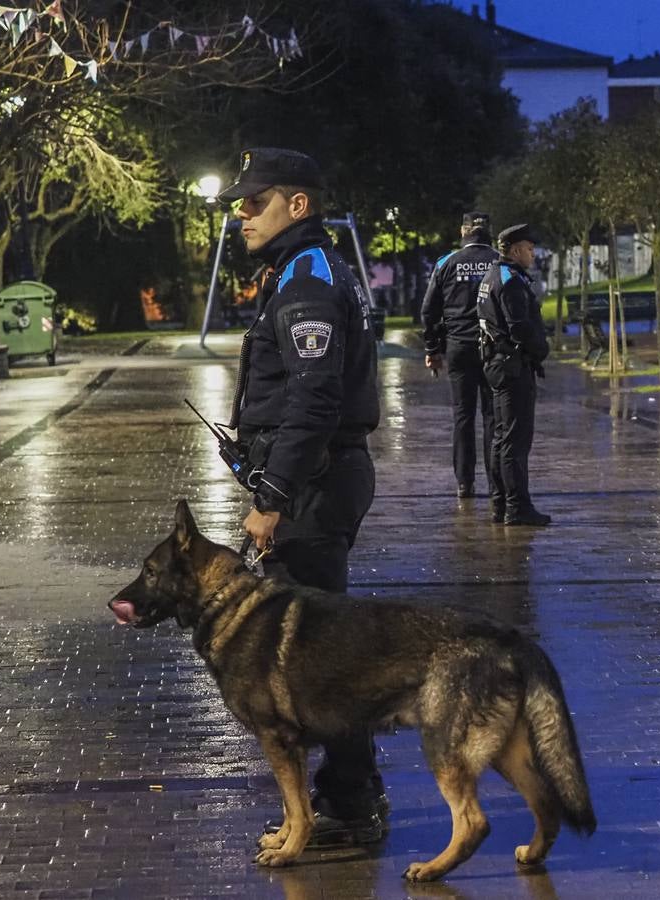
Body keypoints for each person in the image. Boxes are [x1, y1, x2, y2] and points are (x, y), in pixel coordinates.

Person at [216, 147, 386, 846]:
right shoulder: (297, 270)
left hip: (312, 488)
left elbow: (314, 402)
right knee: (316, 652)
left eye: (255, 201)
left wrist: (273, 497)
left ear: (298, 205)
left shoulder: (308, 277)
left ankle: (349, 802)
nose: (242, 214)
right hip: (310, 483)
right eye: (240, 203)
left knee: (317, 658)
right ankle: (348, 796)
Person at [421, 211, 499, 499]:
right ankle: (496, 483)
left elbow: (429, 311)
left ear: (462, 231)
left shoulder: (446, 263)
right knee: (493, 416)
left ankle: (465, 483)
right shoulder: (499, 262)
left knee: (463, 416)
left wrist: (433, 349)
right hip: (492, 349)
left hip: (458, 347)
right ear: (489, 231)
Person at [477, 224, 551, 526]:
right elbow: (519, 327)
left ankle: (500, 503)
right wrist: (540, 349)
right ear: (516, 249)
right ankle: (517, 506)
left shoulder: (493, 275)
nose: (532, 254)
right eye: (529, 249)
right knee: (514, 441)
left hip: (497, 364)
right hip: (512, 366)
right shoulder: (510, 281)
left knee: (500, 438)